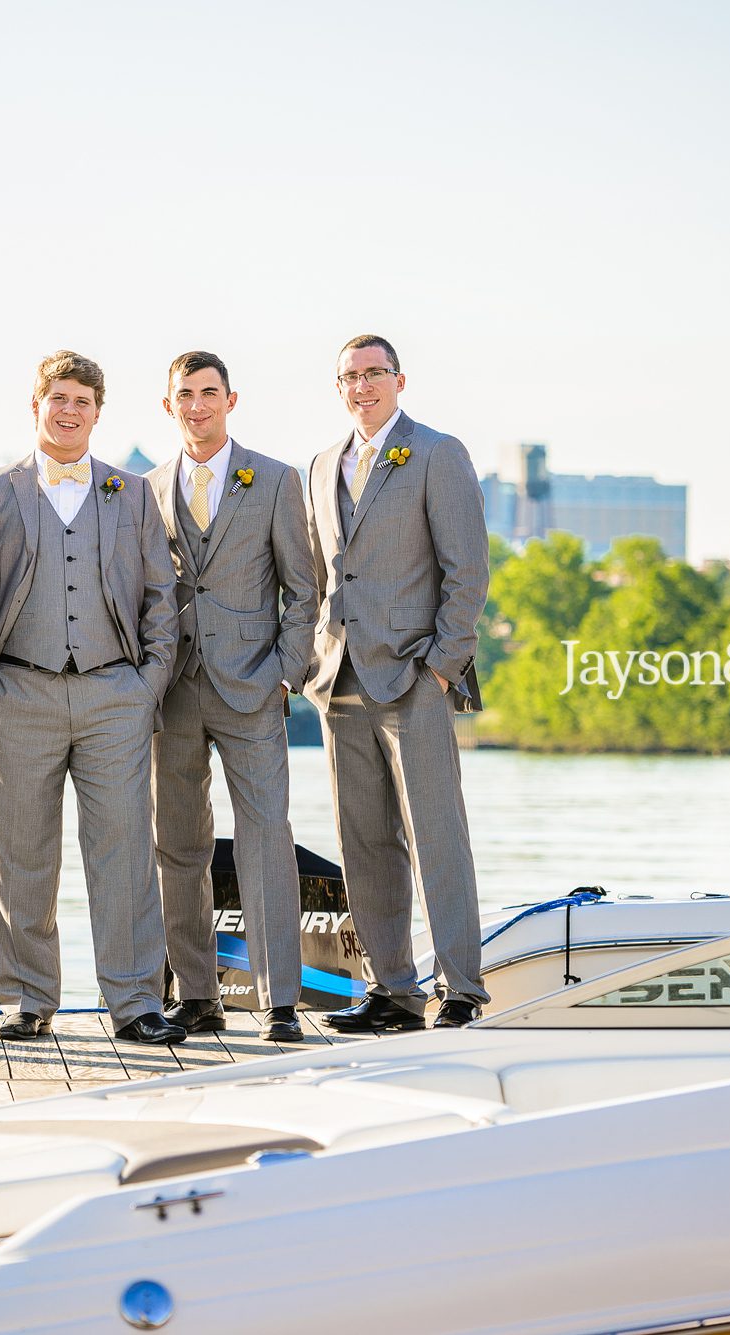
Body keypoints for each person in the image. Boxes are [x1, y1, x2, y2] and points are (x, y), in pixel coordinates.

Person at [0, 349, 184, 1046]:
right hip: (15, 691)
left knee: (123, 855)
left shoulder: (132, 492)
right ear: (36, 405)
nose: (69, 410)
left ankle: (137, 1002)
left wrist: (148, 683)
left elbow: (159, 596)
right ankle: (26, 1000)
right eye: (58, 398)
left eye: (82, 401)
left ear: (97, 412)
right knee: (20, 854)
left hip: (116, 693)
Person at [303, 334, 491, 1032]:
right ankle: (392, 992)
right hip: (341, 678)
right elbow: (322, 574)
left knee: (436, 835)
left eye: (374, 373)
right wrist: (314, 662)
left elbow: (467, 571)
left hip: (413, 676)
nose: (362, 385)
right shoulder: (322, 465)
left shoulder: (438, 454)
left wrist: (441, 667)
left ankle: (462, 987)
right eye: (350, 376)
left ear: (399, 380)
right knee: (364, 841)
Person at [145, 351, 317, 1044]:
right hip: (173, 691)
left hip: (253, 686)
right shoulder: (144, 488)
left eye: (209, 392)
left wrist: (285, 672)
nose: (197, 405)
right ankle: (196, 995)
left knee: (266, 837)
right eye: (184, 394)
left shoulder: (274, 479)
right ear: (168, 406)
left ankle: (279, 1000)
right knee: (176, 846)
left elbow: (304, 592)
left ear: (231, 399)